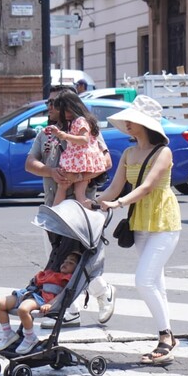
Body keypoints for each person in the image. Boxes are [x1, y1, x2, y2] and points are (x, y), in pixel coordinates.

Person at [95, 95, 181, 364]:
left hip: (164, 221)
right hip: (140, 222)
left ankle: (165, 335)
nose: (128, 123)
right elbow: (113, 187)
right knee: (156, 282)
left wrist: (118, 203)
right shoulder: (129, 154)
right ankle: (168, 338)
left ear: (145, 124)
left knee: (143, 280)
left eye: (133, 119)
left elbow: (146, 187)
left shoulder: (163, 152)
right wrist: (91, 202)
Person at [25, 85, 117, 329]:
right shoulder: (46, 134)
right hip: (53, 207)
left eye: (56, 103)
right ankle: (85, 301)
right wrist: (51, 172)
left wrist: (76, 179)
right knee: (55, 259)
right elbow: (30, 163)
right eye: (50, 103)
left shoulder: (84, 127)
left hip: (79, 209)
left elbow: (105, 162)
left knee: (77, 260)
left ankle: (81, 303)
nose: (51, 107)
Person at [0, 252, 80, 354]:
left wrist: (50, 304)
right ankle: (8, 334)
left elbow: (61, 295)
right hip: (28, 294)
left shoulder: (67, 279)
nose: (65, 263)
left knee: (23, 309)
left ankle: (30, 338)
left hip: (43, 299)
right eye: (65, 261)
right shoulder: (51, 273)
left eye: (70, 263)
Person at [46, 91, 107, 206]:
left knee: (63, 186)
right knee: (78, 194)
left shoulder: (80, 121)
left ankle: (55, 211)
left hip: (80, 161)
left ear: (72, 107)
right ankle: (90, 211)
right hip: (80, 161)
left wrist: (65, 136)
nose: (64, 114)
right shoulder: (75, 121)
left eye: (65, 110)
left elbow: (84, 139)